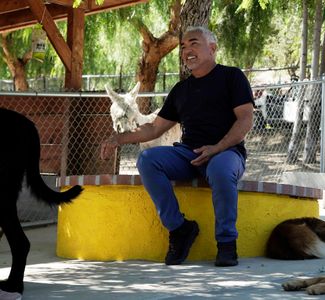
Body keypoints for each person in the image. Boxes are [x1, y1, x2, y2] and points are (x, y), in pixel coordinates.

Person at [100, 26, 254, 267]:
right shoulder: (181, 90)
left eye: (194, 43)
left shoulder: (232, 77)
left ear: (212, 48)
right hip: (187, 153)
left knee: (221, 171)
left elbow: (245, 118)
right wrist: (118, 139)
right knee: (148, 160)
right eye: (183, 47)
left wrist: (217, 147)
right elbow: (153, 129)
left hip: (225, 151)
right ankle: (180, 229)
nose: (187, 50)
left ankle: (226, 244)